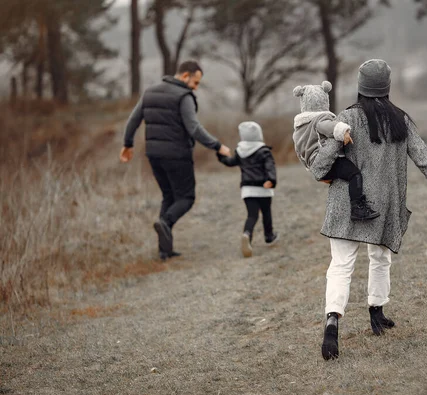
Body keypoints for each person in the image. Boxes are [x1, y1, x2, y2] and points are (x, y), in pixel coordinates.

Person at [308, 59, 427, 360]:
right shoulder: (400, 121)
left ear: (360, 87)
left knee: (340, 265)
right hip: (383, 206)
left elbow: (321, 164)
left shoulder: (346, 119)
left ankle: (332, 322)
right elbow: (424, 158)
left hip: (345, 203)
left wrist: (324, 170)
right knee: (380, 258)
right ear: (387, 87)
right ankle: (376, 312)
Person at [119, 60, 231, 260]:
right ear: (185, 75)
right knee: (186, 198)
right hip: (177, 155)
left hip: (154, 155)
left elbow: (133, 120)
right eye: (195, 82)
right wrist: (217, 145)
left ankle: (164, 250)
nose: (195, 88)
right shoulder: (183, 96)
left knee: (169, 197)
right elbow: (194, 128)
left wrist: (128, 144)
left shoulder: (150, 92)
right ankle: (166, 223)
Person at [292, 81, 379, 221]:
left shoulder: (300, 127)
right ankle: (357, 208)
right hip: (326, 159)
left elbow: (299, 150)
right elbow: (331, 127)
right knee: (355, 175)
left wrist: (312, 168)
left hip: (314, 163)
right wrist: (344, 131)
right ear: (324, 100)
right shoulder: (319, 120)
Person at [217, 121, 278, 258]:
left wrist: (220, 155)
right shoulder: (264, 151)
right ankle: (269, 236)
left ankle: (247, 235)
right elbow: (270, 167)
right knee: (266, 213)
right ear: (259, 135)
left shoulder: (240, 151)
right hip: (263, 188)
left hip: (247, 189)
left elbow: (230, 162)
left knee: (252, 215)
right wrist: (271, 180)